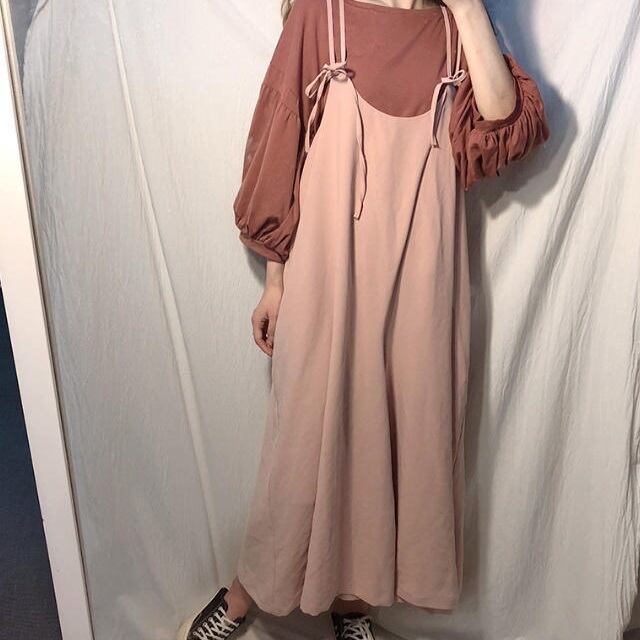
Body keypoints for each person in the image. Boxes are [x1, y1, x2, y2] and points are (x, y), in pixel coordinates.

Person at [180, 0, 550, 638]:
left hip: (422, 285)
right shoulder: (322, 15)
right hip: (329, 275)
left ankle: (352, 603)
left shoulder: (455, 33)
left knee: (397, 441)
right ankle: (248, 590)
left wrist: (467, 7)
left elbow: (501, 122)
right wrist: (276, 281)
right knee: (304, 438)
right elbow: (280, 143)